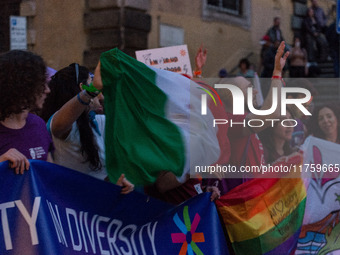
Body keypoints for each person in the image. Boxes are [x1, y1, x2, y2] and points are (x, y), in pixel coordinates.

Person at [216, 41, 289, 189]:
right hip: (243, 200)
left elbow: (277, 112)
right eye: (249, 88)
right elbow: (272, 113)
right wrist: (276, 73)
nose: (255, 91)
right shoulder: (230, 121)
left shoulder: (243, 117)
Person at [0, 50, 54, 174]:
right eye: (41, 84)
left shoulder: (38, 124)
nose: (47, 90)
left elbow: (49, 174)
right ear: (23, 86)